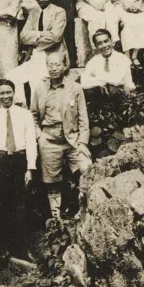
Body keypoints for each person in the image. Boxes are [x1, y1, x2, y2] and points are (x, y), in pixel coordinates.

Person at [30, 50, 92, 219]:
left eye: (57, 64)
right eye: (50, 65)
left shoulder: (75, 88)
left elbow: (83, 119)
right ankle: (57, 221)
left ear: (65, 66)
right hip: (49, 140)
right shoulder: (40, 89)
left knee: (87, 169)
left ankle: (84, 212)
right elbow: (33, 115)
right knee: (52, 183)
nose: (54, 68)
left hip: (72, 140)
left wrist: (82, 143)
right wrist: (39, 136)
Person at [0, 80, 37, 262]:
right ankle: (0, 250)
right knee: (1, 205)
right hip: (1, 160)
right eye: (2, 93)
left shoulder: (25, 115)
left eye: (9, 92)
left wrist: (30, 168)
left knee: (20, 204)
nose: (5, 96)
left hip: (19, 160)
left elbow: (31, 141)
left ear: (14, 93)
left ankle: (20, 248)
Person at [10, 0, 68, 104]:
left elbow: (55, 37)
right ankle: (23, 108)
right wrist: (41, 34)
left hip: (51, 56)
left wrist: (34, 37)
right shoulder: (33, 13)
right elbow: (23, 37)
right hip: (34, 57)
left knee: (35, 81)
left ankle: (34, 115)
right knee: (13, 76)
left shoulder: (59, 12)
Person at [80, 28, 136, 94]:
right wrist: (101, 83)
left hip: (122, 95)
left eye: (106, 41)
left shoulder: (122, 59)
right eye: (99, 43)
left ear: (111, 42)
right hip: (102, 97)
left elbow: (116, 80)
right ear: (96, 46)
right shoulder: (93, 61)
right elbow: (84, 82)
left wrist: (96, 77)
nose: (104, 46)